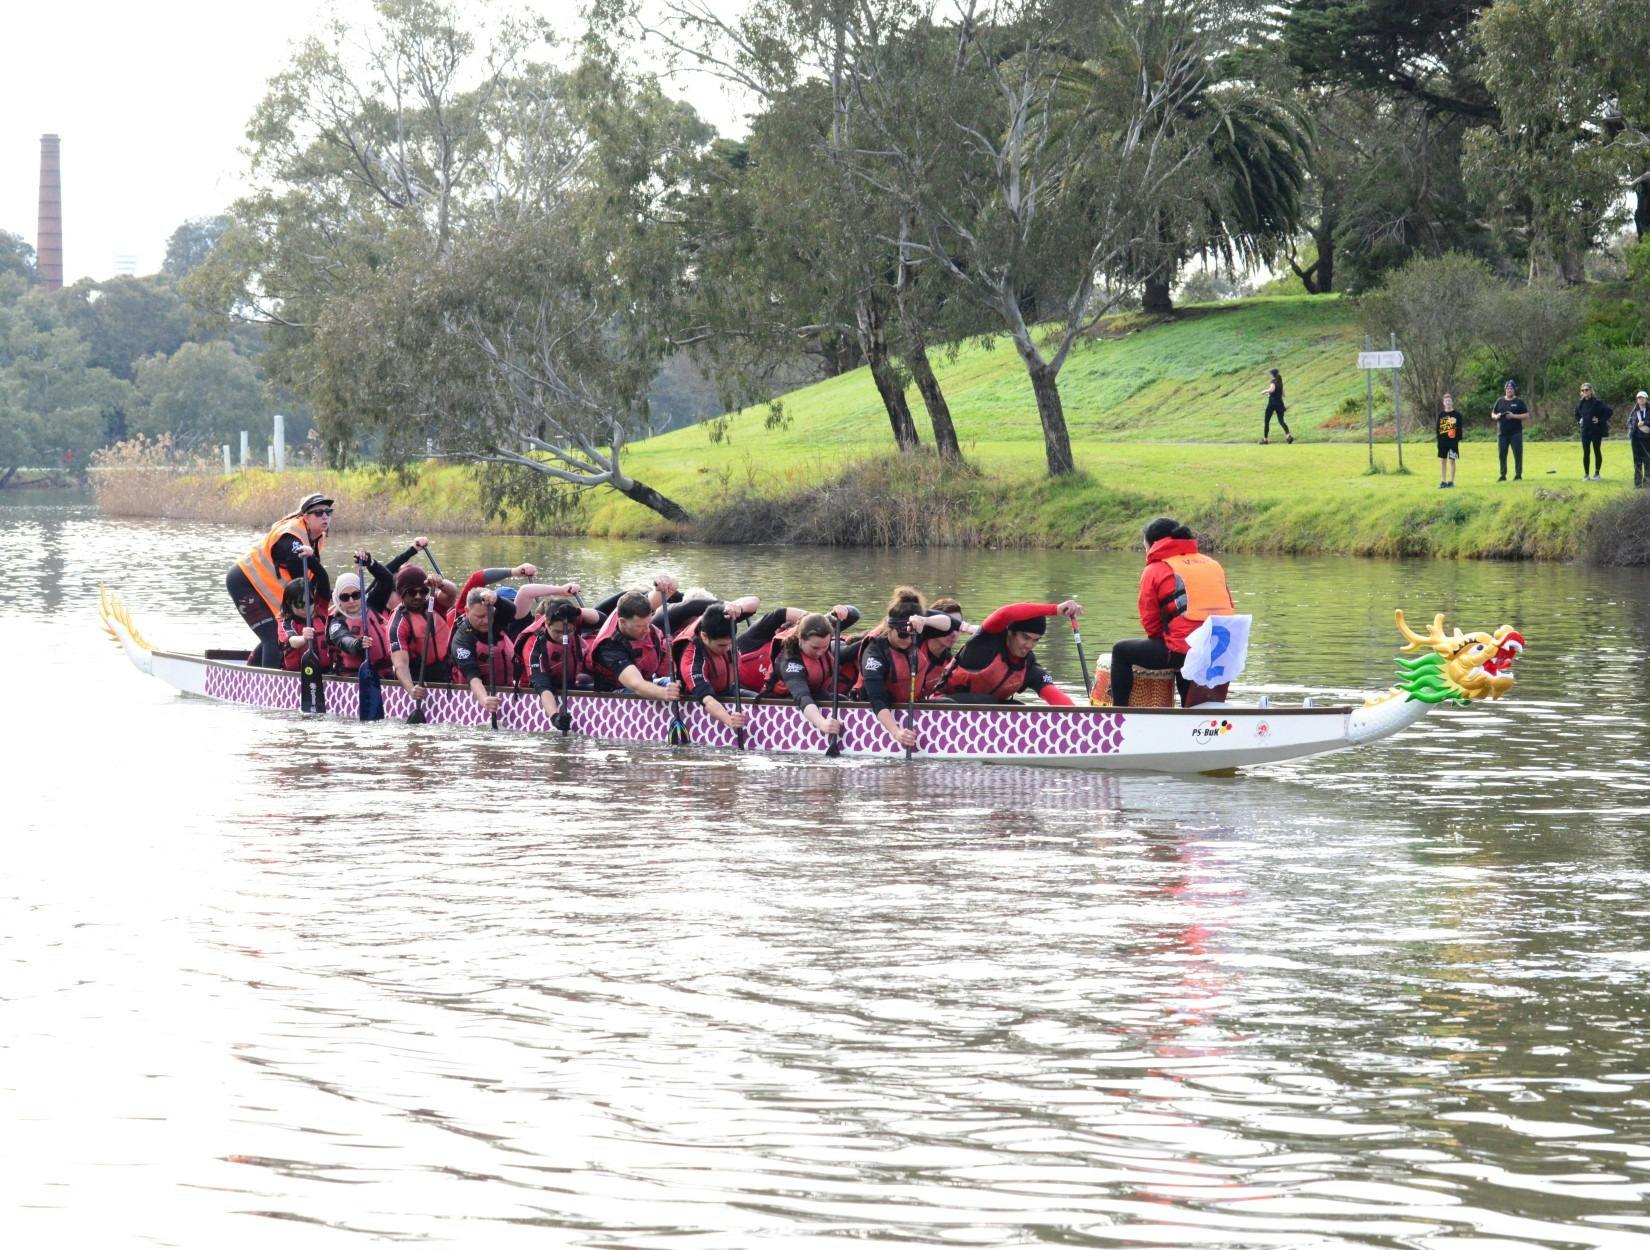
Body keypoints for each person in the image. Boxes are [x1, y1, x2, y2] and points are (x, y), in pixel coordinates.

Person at [1108, 517, 1234, 708]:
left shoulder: (1155, 569)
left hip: (1183, 651)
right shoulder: (1213, 564)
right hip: (1220, 651)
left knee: (1121, 651)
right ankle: (1193, 717)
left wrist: (1169, 642)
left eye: (1145, 546)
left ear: (1153, 544)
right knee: (1184, 648)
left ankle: (1119, 716)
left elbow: (1151, 624)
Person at [226, 492, 333, 667]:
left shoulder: (317, 537)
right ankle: (270, 687)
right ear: (305, 517)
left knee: (275, 631)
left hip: (263, 586)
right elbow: (302, 583)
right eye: (319, 513)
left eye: (328, 512)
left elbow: (313, 580)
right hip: (244, 582)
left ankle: (252, 670)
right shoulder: (291, 537)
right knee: (273, 636)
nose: (325, 517)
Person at [853, 589, 956, 748]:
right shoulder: (875, 652)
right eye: (902, 635)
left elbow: (949, 624)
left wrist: (924, 620)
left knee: (950, 702)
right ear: (890, 629)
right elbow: (877, 699)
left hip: (910, 705)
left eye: (912, 636)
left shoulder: (915, 630)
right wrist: (897, 732)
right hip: (876, 711)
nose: (908, 640)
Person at [940, 600, 1079, 705]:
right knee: (988, 702)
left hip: (985, 713)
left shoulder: (1028, 665)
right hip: (942, 707)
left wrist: (1080, 719)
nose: (1029, 645)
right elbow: (1004, 613)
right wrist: (1055, 609)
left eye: (1035, 640)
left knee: (1020, 709)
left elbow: (1054, 695)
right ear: (1010, 633)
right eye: (1025, 637)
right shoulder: (986, 641)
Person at [672, 601, 759, 733]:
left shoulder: (726, 620)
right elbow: (707, 700)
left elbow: (754, 601)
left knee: (760, 698)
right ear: (704, 636)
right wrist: (730, 721)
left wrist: (738, 607)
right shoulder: (692, 657)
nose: (727, 649)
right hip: (701, 698)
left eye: (730, 644)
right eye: (721, 646)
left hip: (727, 690)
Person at [767, 613, 856, 739]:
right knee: (828, 698)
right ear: (800, 638)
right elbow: (802, 696)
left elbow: (854, 614)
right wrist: (822, 723)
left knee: (841, 699)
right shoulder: (790, 661)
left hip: (816, 696)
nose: (820, 652)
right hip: (785, 704)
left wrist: (843, 610)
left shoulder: (823, 643)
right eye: (814, 647)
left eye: (825, 647)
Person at [586, 591, 678, 700]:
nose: (647, 630)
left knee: (679, 684)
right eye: (640, 626)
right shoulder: (608, 646)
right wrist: (664, 694)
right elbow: (636, 685)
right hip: (615, 695)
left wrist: (664, 585)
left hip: (648, 681)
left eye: (648, 624)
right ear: (622, 622)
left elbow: (661, 594)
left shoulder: (634, 614)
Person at [387, 565, 453, 710]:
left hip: (445, 672)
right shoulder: (398, 624)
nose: (418, 597)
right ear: (401, 594)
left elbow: (452, 593)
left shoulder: (434, 604)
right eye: (412, 592)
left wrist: (440, 583)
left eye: (422, 592)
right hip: (418, 678)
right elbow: (400, 665)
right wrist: (411, 689)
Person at [449, 588, 518, 715]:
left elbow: (512, 610)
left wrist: (497, 599)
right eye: (480, 617)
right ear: (467, 611)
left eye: (489, 615)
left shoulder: (496, 619)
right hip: (473, 699)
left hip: (506, 693)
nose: (486, 621)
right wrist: (484, 699)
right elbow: (472, 676)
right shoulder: (461, 640)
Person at [326, 571, 392, 676]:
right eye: (345, 597)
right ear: (338, 600)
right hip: (354, 678)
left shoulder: (373, 605)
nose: (351, 601)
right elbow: (343, 640)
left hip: (385, 672)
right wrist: (357, 644)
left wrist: (371, 564)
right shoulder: (337, 622)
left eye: (356, 595)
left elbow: (387, 580)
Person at [275, 577, 331, 673]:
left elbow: (323, 578)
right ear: (289, 604)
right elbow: (291, 641)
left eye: (310, 602)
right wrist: (303, 638)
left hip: (325, 672)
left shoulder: (321, 614)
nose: (306, 607)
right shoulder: (286, 622)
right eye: (300, 604)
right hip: (297, 674)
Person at [1492, 379, 1528, 481]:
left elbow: (1526, 415)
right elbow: (1492, 414)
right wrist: (1496, 416)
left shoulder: (1519, 402)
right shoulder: (1500, 401)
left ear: (1514, 390)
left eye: (1511, 388)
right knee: (1502, 455)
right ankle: (1503, 475)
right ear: (1505, 390)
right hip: (1502, 433)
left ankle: (1518, 475)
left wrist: (1513, 416)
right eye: (1507, 388)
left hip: (1515, 433)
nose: (1509, 390)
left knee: (1517, 454)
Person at [1575, 382, 1612, 480]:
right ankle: (1586, 475)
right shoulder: (1580, 404)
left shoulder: (1597, 402)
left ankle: (1597, 473)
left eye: (1586, 390)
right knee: (1586, 452)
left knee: (1597, 451)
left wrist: (1599, 420)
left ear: (1591, 391)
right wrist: (1579, 420)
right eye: (1582, 390)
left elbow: (1609, 412)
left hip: (1596, 431)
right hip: (1585, 432)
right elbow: (1576, 414)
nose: (1584, 392)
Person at [1436, 394, 1462, 489]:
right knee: (1443, 461)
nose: (1448, 403)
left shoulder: (1457, 415)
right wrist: (1439, 441)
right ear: (1443, 403)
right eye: (1446, 401)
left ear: (1452, 402)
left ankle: (1451, 482)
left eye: (1449, 401)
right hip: (1442, 442)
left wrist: (1456, 438)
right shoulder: (1441, 415)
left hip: (1453, 443)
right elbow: (1437, 429)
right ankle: (1443, 481)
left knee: (1452, 461)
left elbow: (1460, 430)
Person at [1261, 368, 1293, 444]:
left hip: (1272, 404)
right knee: (1281, 421)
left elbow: (1272, 389)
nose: (1269, 375)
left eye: (1270, 374)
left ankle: (1265, 439)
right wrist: (1270, 395)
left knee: (1267, 421)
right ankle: (1288, 436)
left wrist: (1265, 391)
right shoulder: (1280, 382)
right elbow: (1283, 394)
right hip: (1280, 404)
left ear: (1272, 374)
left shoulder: (1273, 381)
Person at [1629, 390, 1650, 488]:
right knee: (1637, 461)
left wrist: (1645, 423)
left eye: (1642, 397)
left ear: (1646, 399)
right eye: (1638, 398)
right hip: (1636, 439)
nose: (1640, 399)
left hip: (1647, 439)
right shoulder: (1634, 410)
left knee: (1647, 460)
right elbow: (1629, 422)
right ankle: (1637, 484)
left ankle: (1647, 483)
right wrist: (1633, 427)